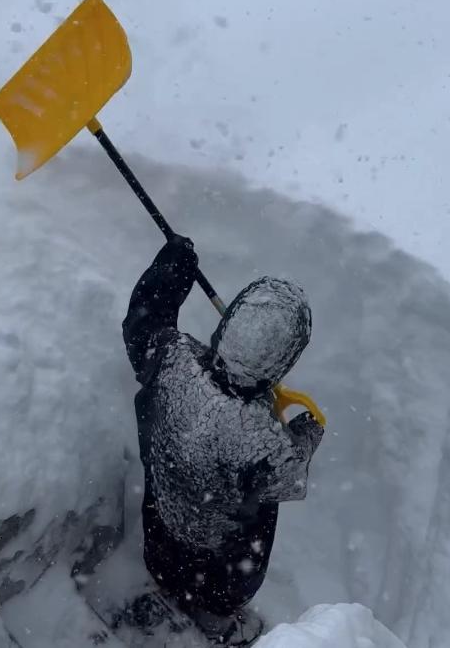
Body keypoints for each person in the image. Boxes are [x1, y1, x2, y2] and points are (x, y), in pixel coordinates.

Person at [122, 234, 324, 644]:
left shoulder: (170, 360)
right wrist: (307, 432)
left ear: (225, 327)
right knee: (233, 564)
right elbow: (293, 477)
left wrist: (173, 268)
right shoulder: (269, 448)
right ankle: (217, 622)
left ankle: (166, 587)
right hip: (222, 578)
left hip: (162, 539)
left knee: (170, 546)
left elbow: (144, 321)